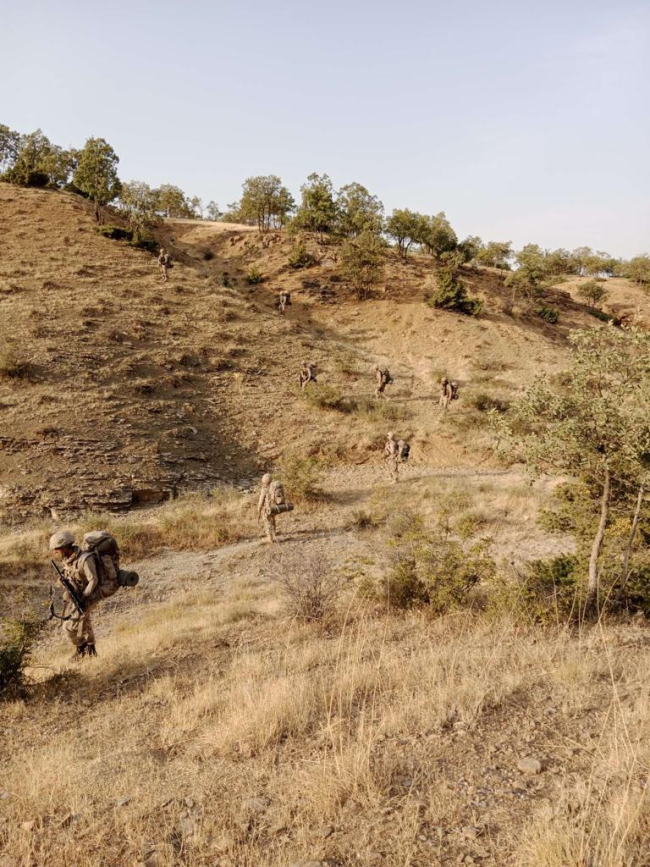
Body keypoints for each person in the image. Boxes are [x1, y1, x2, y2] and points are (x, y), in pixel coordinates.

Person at [49, 531, 100, 659]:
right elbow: (69, 577)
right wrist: (62, 581)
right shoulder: (68, 560)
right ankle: (90, 651)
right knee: (85, 623)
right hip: (76, 595)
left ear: (66, 547)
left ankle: (81, 648)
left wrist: (85, 596)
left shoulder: (85, 559)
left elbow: (94, 579)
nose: (56, 552)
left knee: (70, 627)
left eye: (57, 549)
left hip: (89, 595)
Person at [257, 473, 290, 543]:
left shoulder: (264, 489)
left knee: (268, 522)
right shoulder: (275, 487)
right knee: (273, 520)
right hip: (275, 508)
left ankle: (270, 538)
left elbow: (261, 501)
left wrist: (259, 509)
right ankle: (274, 533)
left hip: (268, 509)